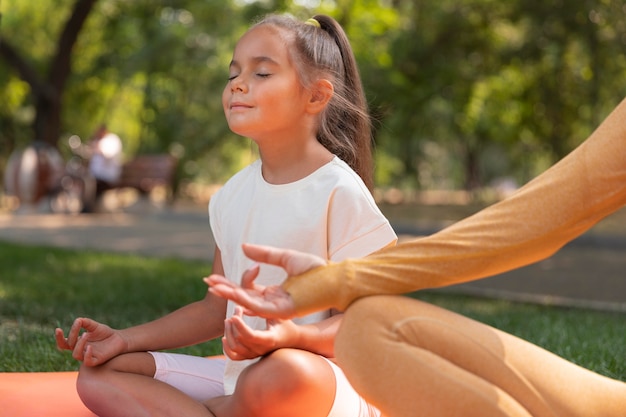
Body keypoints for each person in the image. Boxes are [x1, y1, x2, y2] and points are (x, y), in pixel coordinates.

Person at [55, 14, 397, 417]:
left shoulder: (339, 191)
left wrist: (285, 339)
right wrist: (123, 340)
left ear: (316, 97)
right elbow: (213, 311)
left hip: (319, 384)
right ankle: (225, 409)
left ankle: (223, 408)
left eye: (262, 72)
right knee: (101, 373)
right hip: (243, 382)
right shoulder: (231, 196)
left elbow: (365, 326)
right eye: (233, 73)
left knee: (284, 371)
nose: (237, 83)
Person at [207, 97, 626, 416]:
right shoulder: (235, 192)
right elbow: (538, 219)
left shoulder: (335, 187)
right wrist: (331, 282)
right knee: (372, 329)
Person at [88, 124, 123, 197]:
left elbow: (108, 154)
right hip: (97, 176)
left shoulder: (112, 140)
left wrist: (97, 149)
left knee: (87, 181)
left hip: (106, 176)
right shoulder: (101, 141)